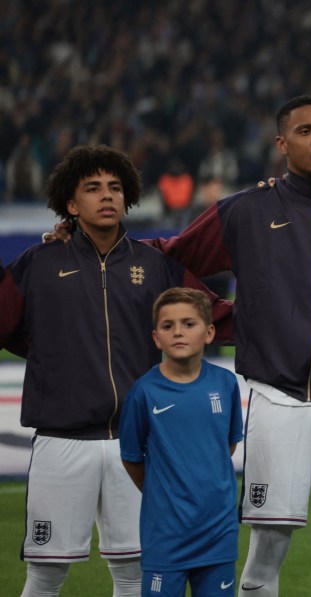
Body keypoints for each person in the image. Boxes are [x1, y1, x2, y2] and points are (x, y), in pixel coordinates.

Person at [150, 95, 311, 597]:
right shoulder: (246, 210)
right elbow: (168, 262)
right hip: (276, 400)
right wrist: (223, 320)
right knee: (267, 546)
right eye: (307, 131)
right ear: (281, 143)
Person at [0, 145, 231, 597]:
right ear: (71, 204)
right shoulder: (40, 263)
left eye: (115, 188)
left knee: (135, 571)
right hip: (62, 441)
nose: (107, 196)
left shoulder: (156, 265)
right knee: (46, 575)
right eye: (92, 189)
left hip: (140, 443)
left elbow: (214, 316)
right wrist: (49, 358)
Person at [119, 288, 243, 597]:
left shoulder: (225, 383)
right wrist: (165, 494)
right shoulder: (143, 392)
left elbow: (226, 445)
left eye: (189, 324)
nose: (178, 332)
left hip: (219, 531)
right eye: (168, 326)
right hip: (166, 535)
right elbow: (132, 457)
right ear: (156, 337)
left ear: (209, 332)